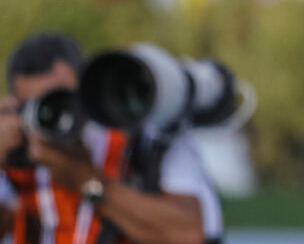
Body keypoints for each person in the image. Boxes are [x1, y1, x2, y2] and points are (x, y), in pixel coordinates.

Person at [0, 33, 222, 244]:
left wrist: (89, 181)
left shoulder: (143, 137)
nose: (55, 116)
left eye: (62, 99)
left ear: (87, 88)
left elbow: (189, 235)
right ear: (16, 106)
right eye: (36, 107)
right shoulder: (16, 155)